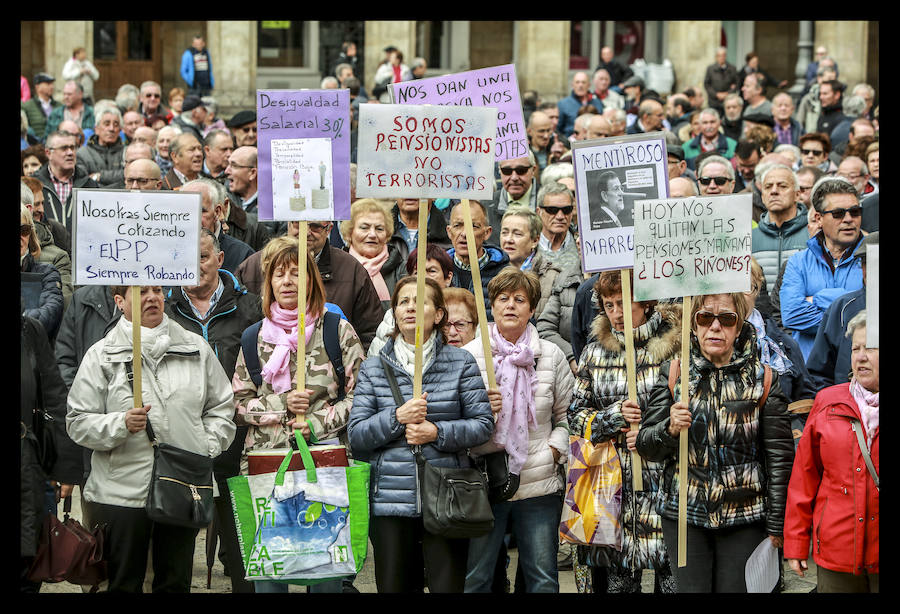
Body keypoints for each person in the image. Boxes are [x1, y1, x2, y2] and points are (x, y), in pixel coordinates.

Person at [66, 285, 236, 593]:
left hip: (183, 486)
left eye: (157, 290)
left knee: (175, 582)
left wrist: (205, 445)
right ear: (120, 302)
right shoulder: (102, 354)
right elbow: (78, 422)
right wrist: (120, 424)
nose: (152, 297)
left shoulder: (195, 347)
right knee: (122, 584)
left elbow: (222, 408)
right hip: (120, 493)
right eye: (141, 291)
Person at [636, 291, 794, 592]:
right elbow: (646, 446)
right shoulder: (674, 374)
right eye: (706, 317)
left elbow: (780, 459)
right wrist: (669, 429)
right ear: (694, 324)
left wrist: (777, 522)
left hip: (745, 518)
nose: (715, 327)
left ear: (740, 324)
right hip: (685, 517)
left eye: (727, 319)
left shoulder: (763, 379)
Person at [231, 238, 365, 593]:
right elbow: (238, 405)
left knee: (325, 571)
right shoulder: (253, 337)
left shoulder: (336, 330)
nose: (288, 281)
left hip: (325, 465)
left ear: (311, 281)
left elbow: (362, 397)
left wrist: (316, 423)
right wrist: (282, 404)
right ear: (269, 283)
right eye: (279, 274)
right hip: (267, 467)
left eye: (296, 273)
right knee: (270, 574)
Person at [348, 275, 494, 593]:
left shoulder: (461, 363)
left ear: (438, 314)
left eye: (420, 301)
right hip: (390, 501)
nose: (411, 307)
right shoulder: (374, 367)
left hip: (447, 495)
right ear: (395, 313)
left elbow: (483, 425)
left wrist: (436, 432)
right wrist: (396, 418)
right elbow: (356, 434)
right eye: (403, 302)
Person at [568, 270, 681, 594]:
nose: (616, 312)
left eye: (623, 303)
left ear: (644, 303)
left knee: (671, 580)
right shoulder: (593, 352)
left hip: (663, 483)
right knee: (619, 584)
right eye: (609, 305)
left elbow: (688, 411)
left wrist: (650, 433)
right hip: (610, 488)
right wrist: (612, 417)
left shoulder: (674, 349)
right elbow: (575, 417)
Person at [462, 267, 574, 593]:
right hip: (485, 482)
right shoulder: (470, 356)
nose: (510, 305)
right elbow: (453, 416)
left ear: (532, 309)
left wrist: (554, 450)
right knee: (477, 578)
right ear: (492, 306)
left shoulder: (550, 355)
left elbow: (569, 414)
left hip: (538, 483)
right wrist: (480, 408)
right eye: (503, 298)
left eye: (519, 299)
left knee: (542, 578)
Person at [163, 228, 262, 593]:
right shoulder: (164, 311)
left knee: (241, 544)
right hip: (183, 441)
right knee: (176, 545)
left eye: (202, 257)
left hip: (237, 438)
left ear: (220, 260)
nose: (194, 266)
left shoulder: (251, 308)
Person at [784, 311, 878, 593]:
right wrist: (796, 543)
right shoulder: (828, 401)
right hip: (837, 549)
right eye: (855, 349)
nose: (861, 357)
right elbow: (804, 478)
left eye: (870, 348)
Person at [20, 313, 81, 592]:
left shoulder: (29, 330)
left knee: (29, 564)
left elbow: (55, 397)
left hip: (28, 466)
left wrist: (65, 469)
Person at [780, 177, 864, 360]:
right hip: (810, 369)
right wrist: (848, 306)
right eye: (838, 214)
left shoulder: (873, 259)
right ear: (819, 218)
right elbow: (791, 315)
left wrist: (815, 299)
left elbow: (873, 315)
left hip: (860, 367)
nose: (848, 219)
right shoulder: (798, 262)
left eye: (855, 212)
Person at [805, 232, 875, 392]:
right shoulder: (842, 308)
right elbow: (818, 373)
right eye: (866, 263)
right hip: (847, 403)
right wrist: (836, 401)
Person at [745, 259, 816, 404]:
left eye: (745, 287)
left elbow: (806, 398)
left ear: (757, 290)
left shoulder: (783, 345)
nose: (736, 295)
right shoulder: (707, 340)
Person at [366, 244, 455, 359]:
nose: (423, 278)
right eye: (417, 273)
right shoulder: (395, 314)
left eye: (431, 271)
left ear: (448, 278)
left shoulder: (460, 308)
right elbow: (377, 358)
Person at [446, 200, 511, 322]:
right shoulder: (438, 270)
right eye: (458, 225)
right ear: (449, 232)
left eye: (474, 226)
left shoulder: (506, 275)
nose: (464, 233)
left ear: (487, 233)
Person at [751, 164, 810, 286]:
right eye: (768, 187)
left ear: (797, 195)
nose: (774, 191)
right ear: (762, 197)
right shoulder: (750, 238)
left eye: (782, 186)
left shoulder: (812, 233)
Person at [341, 198, 405, 310]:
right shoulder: (337, 268)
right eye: (364, 228)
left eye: (379, 229)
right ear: (349, 233)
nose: (372, 234)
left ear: (387, 234)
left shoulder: (402, 269)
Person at [181, 178, 254, 275]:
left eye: (200, 211)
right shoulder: (166, 252)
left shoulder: (243, 255)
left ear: (217, 212)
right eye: (185, 211)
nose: (191, 218)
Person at [22, 179, 72, 309]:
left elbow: (62, 305)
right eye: (37, 204)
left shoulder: (56, 257)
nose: (41, 209)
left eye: (42, 203)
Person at [21, 205, 63, 343]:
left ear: (31, 235)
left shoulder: (47, 273)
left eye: (24, 230)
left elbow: (48, 317)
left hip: (34, 352)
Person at [484, 153, 540, 244]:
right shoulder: (486, 206)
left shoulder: (549, 205)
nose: (514, 177)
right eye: (507, 171)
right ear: (499, 171)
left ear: (533, 170)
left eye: (521, 170)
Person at [536, 182, 581, 272]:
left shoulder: (582, 246)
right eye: (552, 210)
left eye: (566, 210)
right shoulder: (527, 246)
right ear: (539, 212)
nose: (560, 216)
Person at [76, 105, 125, 187]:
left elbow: (127, 175)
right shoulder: (82, 154)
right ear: (96, 129)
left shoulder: (126, 152)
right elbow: (83, 181)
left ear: (119, 130)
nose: (111, 129)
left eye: (116, 125)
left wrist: (100, 176)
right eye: (107, 124)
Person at [558, 72, 601, 138]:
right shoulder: (563, 104)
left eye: (583, 82)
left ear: (589, 85)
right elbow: (558, 130)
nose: (580, 85)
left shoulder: (597, 103)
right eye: (577, 82)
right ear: (572, 85)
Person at [21, 73, 60, 141]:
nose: (52, 87)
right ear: (37, 87)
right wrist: (35, 139)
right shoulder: (27, 106)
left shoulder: (59, 105)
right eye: (48, 84)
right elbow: (25, 126)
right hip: (37, 143)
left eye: (52, 84)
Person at [703, 47, 739, 114]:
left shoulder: (732, 68)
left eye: (723, 55)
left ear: (725, 56)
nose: (721, 58)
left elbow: (736, 84)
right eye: (719, 56)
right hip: (714, 102)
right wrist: (716, 94)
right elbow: (707, 84)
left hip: (728, 101)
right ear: (716, 57)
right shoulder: (710, 69)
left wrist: (727, 93)